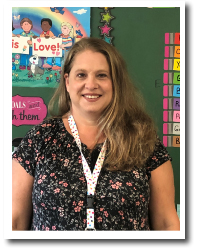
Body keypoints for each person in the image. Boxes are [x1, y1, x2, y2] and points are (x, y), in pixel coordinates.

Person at [12, 37, 180, 231]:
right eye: (81, 75)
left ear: (115, 82)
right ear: (67, 81)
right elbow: (14, 221)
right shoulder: (39, 139)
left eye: (102, 75)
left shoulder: (143, 140)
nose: (91, 84)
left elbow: (167, 223)